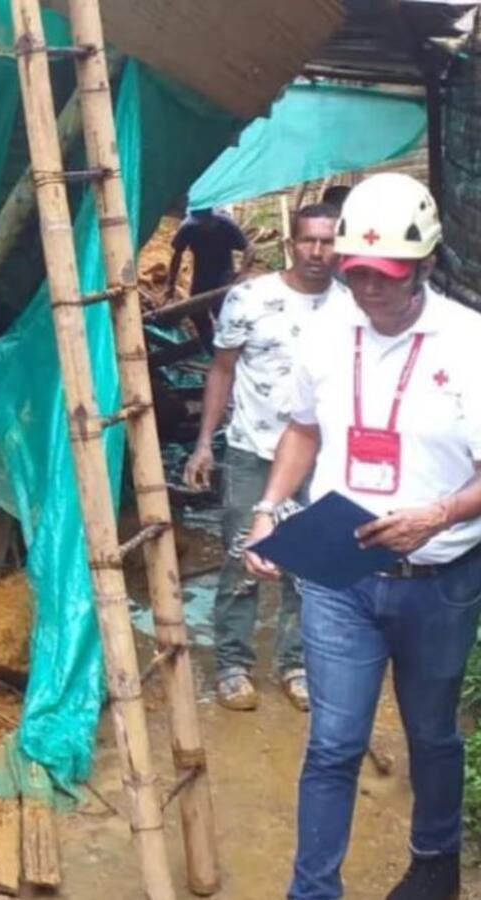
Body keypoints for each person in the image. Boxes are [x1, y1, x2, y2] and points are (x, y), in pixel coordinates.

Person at [244, 173, 481, 900]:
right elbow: (303, 430)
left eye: (387, 275)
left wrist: (437, 515)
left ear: (426, 264)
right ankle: (313, 889)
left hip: (438, 579)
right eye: (357, 273)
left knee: (431, 733)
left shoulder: (469, 343)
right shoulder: (325, 332)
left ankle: (434, 861)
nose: (369, 289)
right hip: (340, 572)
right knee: (334, 741)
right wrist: (269, 507)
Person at [183, 203, 343, 713]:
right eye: (308, 240)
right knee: (242, 556)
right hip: (253, 450)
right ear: (290, 244)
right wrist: (205, 443)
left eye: (328, 241)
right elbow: (222, 370)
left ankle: (296, 664)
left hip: (323, 457)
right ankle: (233, 664)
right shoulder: (249, 299)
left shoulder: (352, 306)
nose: (317, 251)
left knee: (309, 565)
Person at [166, 207, 257, 351]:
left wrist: (242, 273)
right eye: (199, 221)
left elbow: (249, 248)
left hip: (224, 273)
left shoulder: (225, 224)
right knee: (197, 313)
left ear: (211, 215)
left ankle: (234, 348)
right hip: (201, 275)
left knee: (222, 310)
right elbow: (177, 255)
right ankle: (211, 348)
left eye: (204, 221)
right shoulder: (188, 227)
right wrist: (170, 284)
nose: (202, 224)